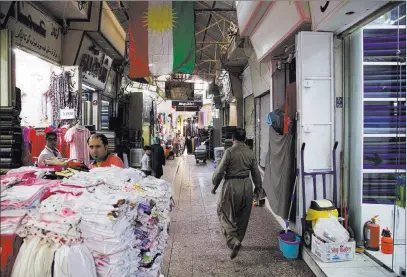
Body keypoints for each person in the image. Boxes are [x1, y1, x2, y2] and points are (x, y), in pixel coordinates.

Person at [211, 128, 263, 259]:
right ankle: (239, 239)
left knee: (224, 212)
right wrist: (258, 188)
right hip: (247, 185)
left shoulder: (229, 152)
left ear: (233, 139)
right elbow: (256, 173)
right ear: (245, 139)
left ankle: (233, 241)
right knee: (243, 216)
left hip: (232, 185)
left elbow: (219, 172)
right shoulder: (250, 153)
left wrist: (214, 185)